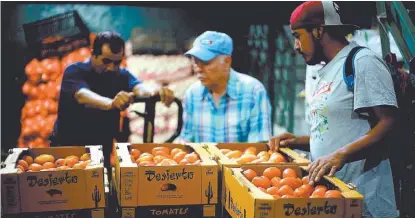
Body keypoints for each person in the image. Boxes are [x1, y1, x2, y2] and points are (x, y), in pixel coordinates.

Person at [269, 2, 398, 218]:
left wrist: (341, 155)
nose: (295, 46)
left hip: (362, 202)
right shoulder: (326, 70)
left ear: (318, 31)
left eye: (297, 36)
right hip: (330, 198)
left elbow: (389, 123)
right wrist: (299, 141)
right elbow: (337, 130)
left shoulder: (362, 62)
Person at [51, 31, 174, 169]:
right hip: (69, 151)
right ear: (93, 54)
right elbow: (82, 95)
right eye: (106, 61)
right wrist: (110, 104)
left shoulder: (121, 75)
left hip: (101, 151)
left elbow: (139, 88)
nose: (111, 68)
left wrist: (155, 93)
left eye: (117, 62)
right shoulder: (74, 71)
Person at [180, 31, 272, 143]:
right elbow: (186, 142)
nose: (198, 68)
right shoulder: (192, 94)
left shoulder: (253, 91)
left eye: (205, 62)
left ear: (227, 62)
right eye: (195, 61)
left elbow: (259, 147)